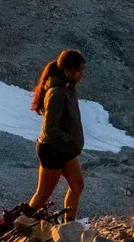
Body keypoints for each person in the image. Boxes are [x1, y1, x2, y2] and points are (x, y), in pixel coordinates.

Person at [24, 48, 87, 221]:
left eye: (82, 70)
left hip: (64, 149)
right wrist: (71, 142)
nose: (80, 74)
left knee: (77, 185)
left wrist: (71, 144)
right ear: (67, 70)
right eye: (78, 70)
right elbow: (50, 129)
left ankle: (69, 225)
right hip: (52, 149)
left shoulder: (67, 89)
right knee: (43, 193)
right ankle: (19, 224)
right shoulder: (56, 93)